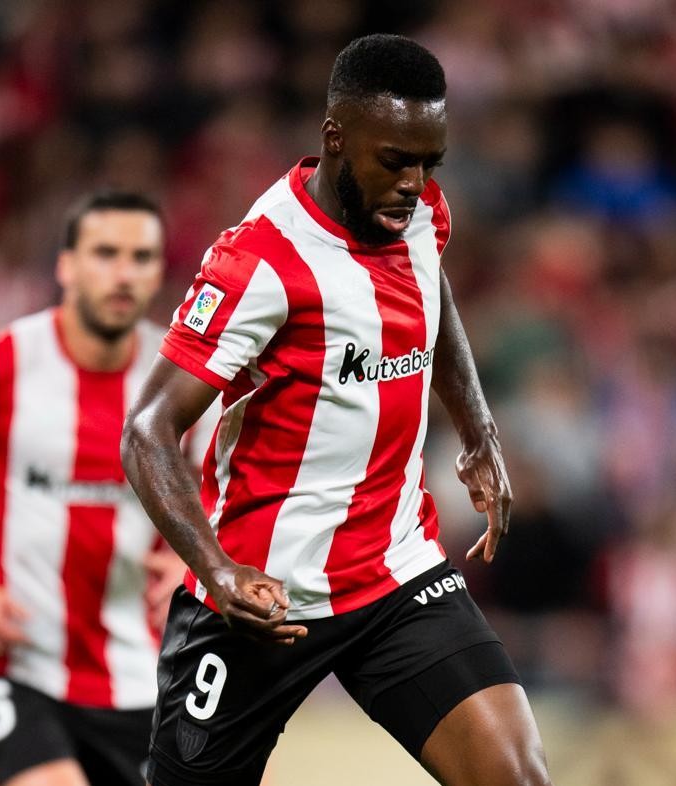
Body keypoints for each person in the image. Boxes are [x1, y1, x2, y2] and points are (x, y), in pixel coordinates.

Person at [121, 34, 552, 786]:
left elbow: (432, 288)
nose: (414, 184)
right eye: (394, 161)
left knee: (514, 777)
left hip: (396, 575)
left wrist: (477, 427)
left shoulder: (412, 211)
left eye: (429, 164)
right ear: (334, 139)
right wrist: (218, 572)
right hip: (265, 598)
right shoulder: (261, 260)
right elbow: (146, 430)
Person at [0, 192, 209, 786]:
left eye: (141, 257)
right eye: (105, 253)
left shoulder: (179, 384)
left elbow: (227, 489)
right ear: (66, 265)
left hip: (140, 672)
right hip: (16, 662)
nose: (123, 273)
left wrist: (193, 563)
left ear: (160, 271)